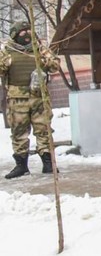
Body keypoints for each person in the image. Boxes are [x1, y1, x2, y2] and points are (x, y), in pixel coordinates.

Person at [0, 21, 59, 178]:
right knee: (19, 132)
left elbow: (55, 65)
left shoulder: (39, 49)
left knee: (44, 130)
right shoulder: (7, 52)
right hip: (17, 100)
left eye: (29, 30)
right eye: (22, 32)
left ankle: (48, 163)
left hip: (39, 98)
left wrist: (41, 60)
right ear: (14, 35)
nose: (26, 34)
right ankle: (21, 165)